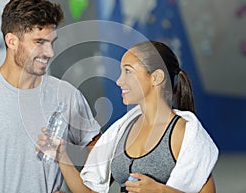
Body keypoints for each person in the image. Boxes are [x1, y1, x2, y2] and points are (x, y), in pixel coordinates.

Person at [0, 0, 101, 192]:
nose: (50, 52)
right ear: (11, 41)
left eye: (51, 42)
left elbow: (96, 143)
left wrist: (86, 185)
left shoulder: (64, 94)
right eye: (39, 42)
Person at [38, 41, 219, 192]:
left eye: (128, 71)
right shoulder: (123, 129)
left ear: (155, 77)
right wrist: (61, 156)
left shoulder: (183, 133)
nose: (119, 81)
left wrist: (161, 190)